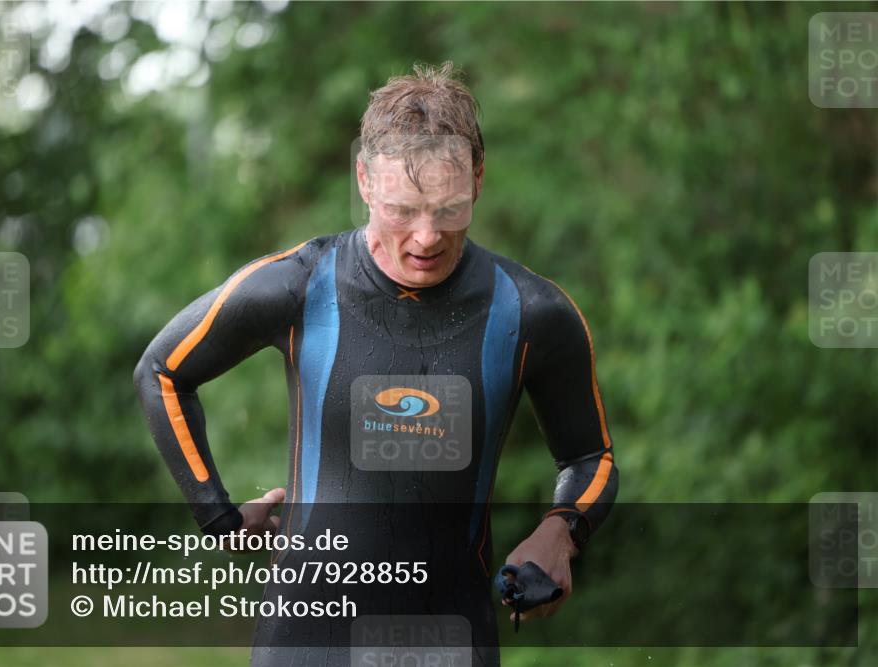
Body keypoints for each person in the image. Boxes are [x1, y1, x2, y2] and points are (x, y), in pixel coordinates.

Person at [134, 61, 618, 666]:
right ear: (364, 179)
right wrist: (219, 517)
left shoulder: (532, 312)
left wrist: (560, 532)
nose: (425, 237)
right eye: (402, 209)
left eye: (449, 209)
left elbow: (588, 457)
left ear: (479, 179)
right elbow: (162, 372)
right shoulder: (298, 286)